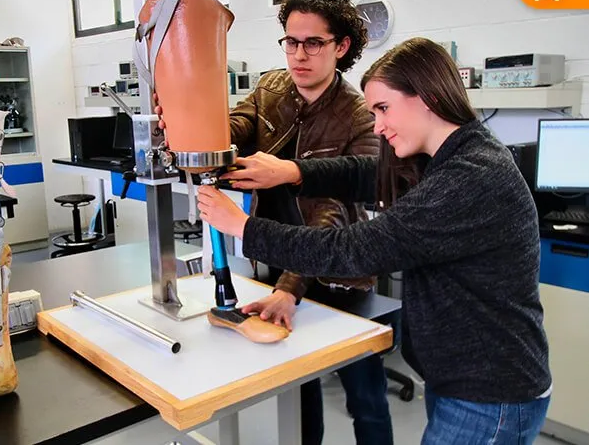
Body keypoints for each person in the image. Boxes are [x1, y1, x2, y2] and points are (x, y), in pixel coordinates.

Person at [195, 37, 552, 444]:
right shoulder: (449, 155)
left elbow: (353, 250)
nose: (378, 126)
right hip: (464, 380)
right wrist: (293, 171)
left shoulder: (471, 177)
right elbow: (368, 171)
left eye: (383, 109)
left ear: (428, 97)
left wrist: (242, 227)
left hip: (490, 396)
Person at [158, 0, 392, 445]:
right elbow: (241, 125)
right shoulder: (271, 87)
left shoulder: (360, 116)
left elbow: (334, 216)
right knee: (297, 389)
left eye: (313, 43)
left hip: (338, 276)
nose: (298, 54)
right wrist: (196, 124)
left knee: (365, 395)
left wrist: (290, 288)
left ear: (341, 46)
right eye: (290, 40)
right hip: (273, 264)